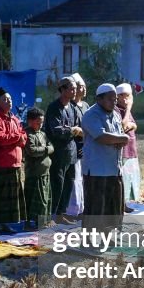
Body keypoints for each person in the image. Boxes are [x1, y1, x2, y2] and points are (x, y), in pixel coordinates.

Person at [80, 84, 130, 231]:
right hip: (97, 170)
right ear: (99, 99)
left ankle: (109, 235)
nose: (114, 102)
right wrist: (123, 138)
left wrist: (120, 140)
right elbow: (102, 137)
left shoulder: (115, 114)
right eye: (110, 99)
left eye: (115, 99)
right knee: (96, 208)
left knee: (113, 206)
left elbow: (117, 138)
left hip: (114, 168)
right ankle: (91, 239)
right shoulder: (91, 115)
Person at [44, 76, 84, 224]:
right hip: (58, 152)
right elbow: (56, 130)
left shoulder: (73, 108)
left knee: (69, 183)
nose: (74, 91)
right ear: (62, 89)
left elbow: (81, 127)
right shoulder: (54, 108)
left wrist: (78, 132)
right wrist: (73, 130)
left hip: (71, 152)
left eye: (75, 88)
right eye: (71, 88)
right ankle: (52, 215)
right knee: (57, 184)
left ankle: (61, 213)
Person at [0, 88, 27, 233]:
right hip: (2, 163)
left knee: (12, 196)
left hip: (16, 162)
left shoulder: (14, 118)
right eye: (5, 99)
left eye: (10, 98)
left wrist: (17, 137)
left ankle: (7, 223)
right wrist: (17, 137)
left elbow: (24, 137)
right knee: (2, 196)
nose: (9, 101)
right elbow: (1, 139)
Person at [23, 108, 54, 230]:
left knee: (45, 199)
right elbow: (32, 151)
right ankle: (30, 223)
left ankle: (43, 221)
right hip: (34, 174)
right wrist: (46, 149)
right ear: (30, 121)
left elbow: (52, 146)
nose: (40, 125)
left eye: (42, 122)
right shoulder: (27, 134)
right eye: (38, 122)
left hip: (45, 173)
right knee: (34, 200)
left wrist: (46, 148)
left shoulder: (43, 134)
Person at [66, 74, 89, 219]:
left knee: (84, 179)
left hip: (87, 146)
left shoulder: (86, 105)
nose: (83, 89)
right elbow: (73, 129)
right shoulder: (70, 107)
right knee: (75, 180)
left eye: (84, 87)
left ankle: (83, 207)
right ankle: (73, 210)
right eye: (81, 87)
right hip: (75, 146)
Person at [116, 83, 140, 213]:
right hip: (123, 150)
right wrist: (129, 108)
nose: (125, 100)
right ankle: (120, 205)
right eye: (122, 96)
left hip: (131, 148)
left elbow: (134, 125)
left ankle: (125, 203)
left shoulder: (125, 110)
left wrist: (131, 124)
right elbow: (124, 126)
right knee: (122, 178)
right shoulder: (117, 110)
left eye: (128, 96)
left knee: (129, 177)